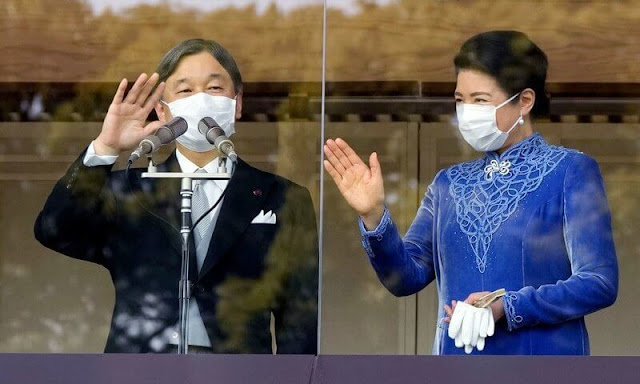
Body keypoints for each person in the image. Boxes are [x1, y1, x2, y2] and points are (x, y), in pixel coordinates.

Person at [323, 30, 618, 355]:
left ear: (524, 101)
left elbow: (598, 282)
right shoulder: (448, 184)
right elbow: (404, 279)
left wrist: (508, 306)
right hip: (455, 369)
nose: (466, 112)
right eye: (460, 100)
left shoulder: (570, 171)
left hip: (541, 369)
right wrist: (373, 216)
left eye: (480, 100)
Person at [34, 39, 318, 354]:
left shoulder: (281, 197)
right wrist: (106, 148)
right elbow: (54, 230)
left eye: (214, 88)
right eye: (184, 91)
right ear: (162, 109)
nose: (200, 100)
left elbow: (300, 317)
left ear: (237, 102)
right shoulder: (128, 190)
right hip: (139, 370)